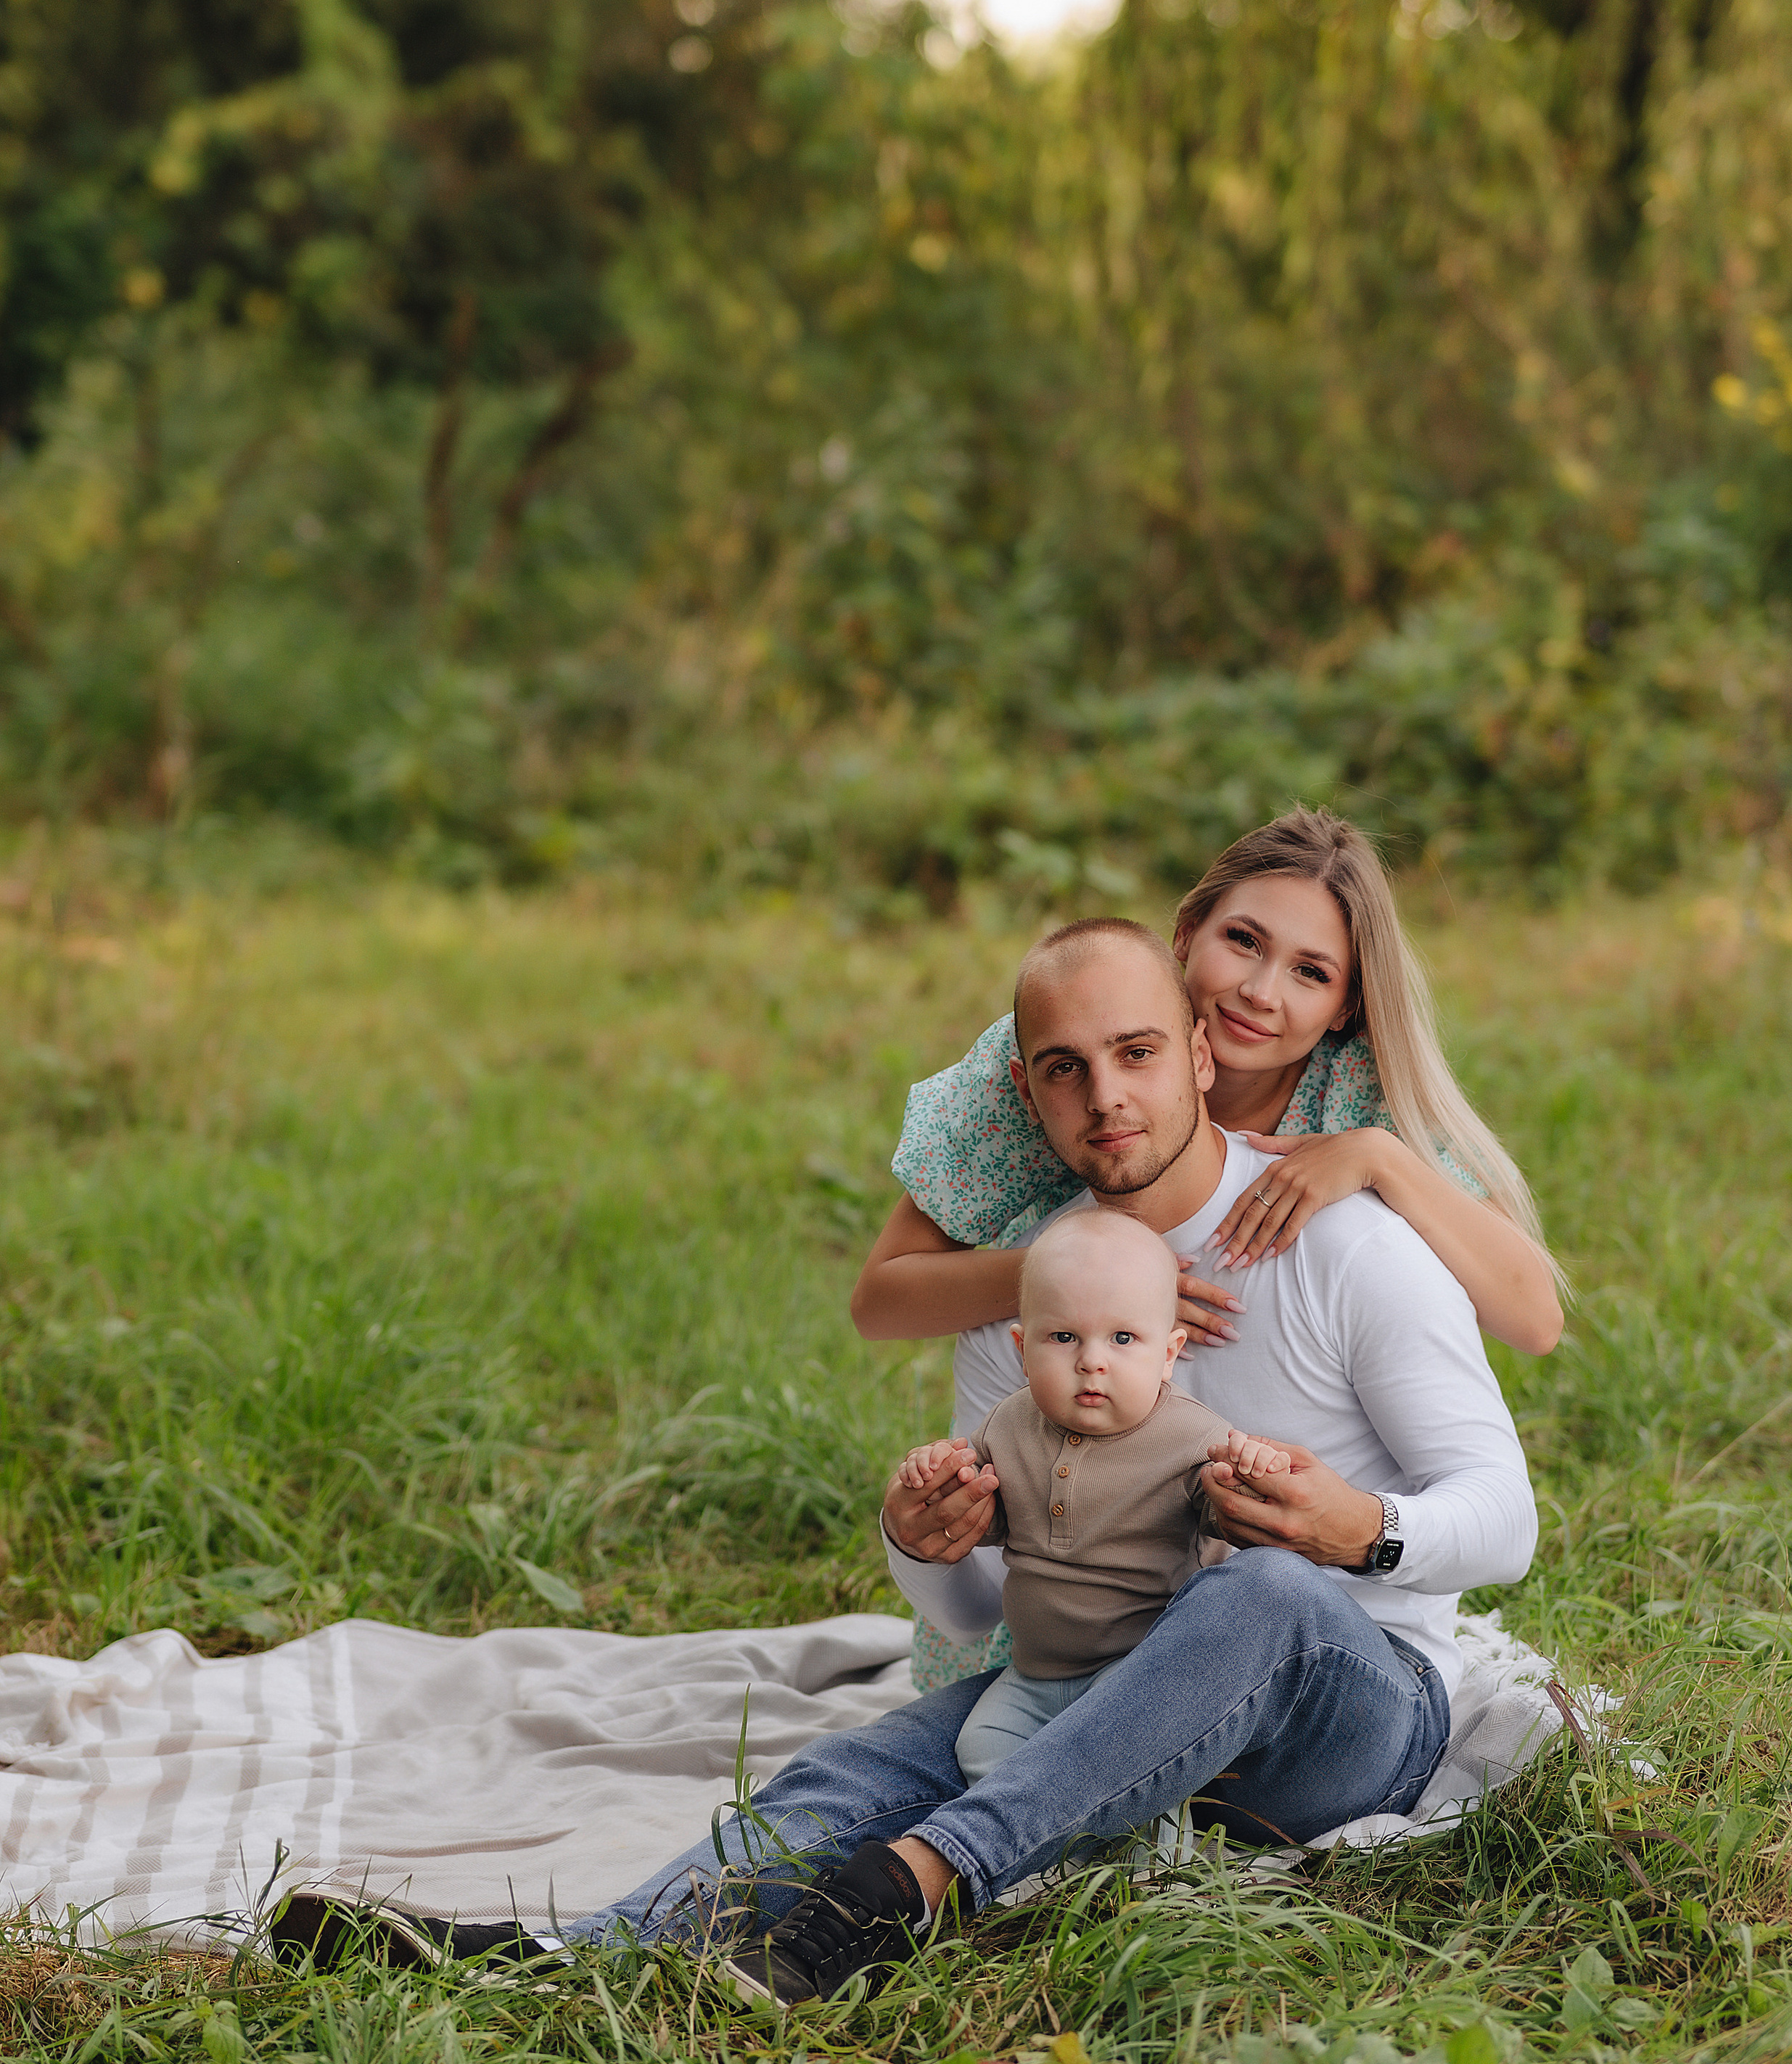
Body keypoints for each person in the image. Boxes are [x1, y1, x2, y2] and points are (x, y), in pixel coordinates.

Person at [271, 910, 1539, 1997]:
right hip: (1101, 1689)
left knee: (1259, 1590)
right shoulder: (1028, 1297)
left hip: (1346, 1706)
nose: (1107, 1097)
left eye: (1139, 1052)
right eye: (1066, 1069)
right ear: (1028, 1094)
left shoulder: (1346, 1245)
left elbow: (1507, 1515)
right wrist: (927, 1545)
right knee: (868, 1759)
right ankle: (569, 1957)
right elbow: (985, 1610)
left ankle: (920, 1881)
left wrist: (1359, 1527)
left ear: (1202, 1055)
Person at [853, 803, 1563, 1693]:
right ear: (1186, 932)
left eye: (1310, 971)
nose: (1261, 991)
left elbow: (1533, 1319)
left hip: (1272, 1603)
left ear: (1345, 1005)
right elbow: (880, 1299)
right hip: (1065, 1566)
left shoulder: (1356, 1099)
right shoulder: (1066, 1039)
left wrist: (1379, 1158)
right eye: (1242, 940)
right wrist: (1090, 1278)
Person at [921, 1210, 1262, 1785]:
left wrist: (1249, 1475)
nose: (1091, 1361)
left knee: (1133, 1755)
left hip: (1136, 1670)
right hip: (1033, 1675)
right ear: (1023, 1349)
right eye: (1064, 1337)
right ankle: (1042, 1826)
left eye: (1123, 1338)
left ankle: (1146, 1835)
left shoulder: (1195, 1438)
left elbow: (1234, 1513)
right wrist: (938, 1474)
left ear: (1169, 1353)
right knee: (980, 1747)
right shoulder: (1009, 1424)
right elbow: (977, 1507)